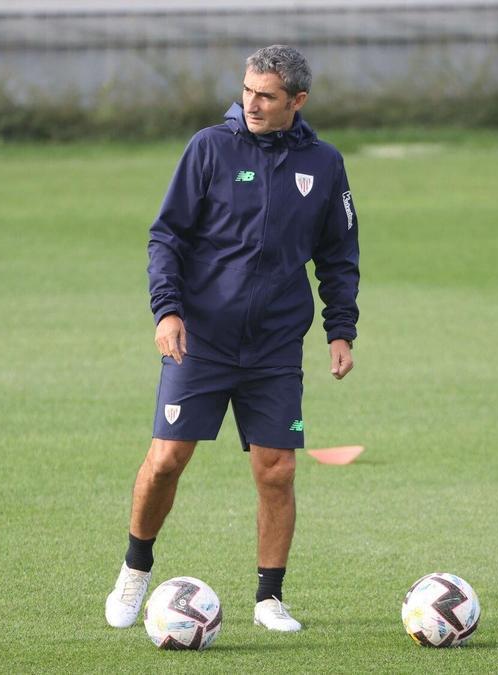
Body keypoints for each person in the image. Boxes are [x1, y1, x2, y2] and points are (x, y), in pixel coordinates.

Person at [104, 45, 360, 633]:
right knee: (168, 458)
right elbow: (166, 236)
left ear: (297, 101)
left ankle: (269, 598)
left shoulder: (324, 163)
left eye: (267, 95)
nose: (252, 103)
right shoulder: (209, 148)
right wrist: (167, 312)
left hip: (273, 348)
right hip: (202, 340)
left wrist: (339, 329)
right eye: (247, 90)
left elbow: (339, 253)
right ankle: (135, 568)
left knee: (277, 471)